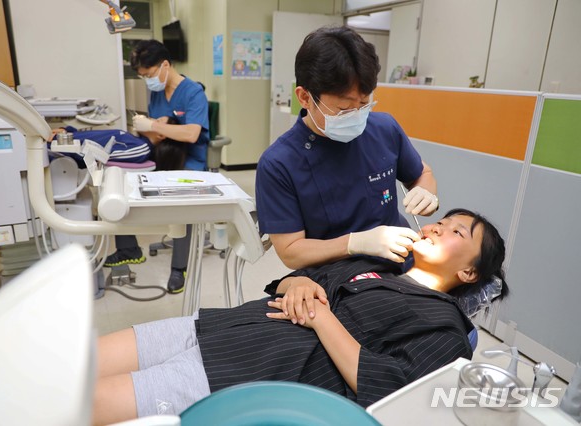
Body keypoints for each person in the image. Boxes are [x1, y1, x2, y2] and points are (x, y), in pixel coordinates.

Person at [92, 208, 508, 425]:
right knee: (77, 362)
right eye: (443, 220)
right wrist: (301, 287)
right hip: (217, 328)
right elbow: (293, 279)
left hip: (237, 371)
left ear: (469, 272)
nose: (438, 227)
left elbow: (386, 386)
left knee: (78, 405)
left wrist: (322, 318)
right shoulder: (378, 263)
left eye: (457, 232)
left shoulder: (446, 328)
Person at [255, 26, 439, 275]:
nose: (356, 115)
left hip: (401, 265)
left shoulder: (384, 129)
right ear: (305, 97)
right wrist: (356, 243)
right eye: (343, 108)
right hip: (335, 277)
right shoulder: (279, 163)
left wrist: (426, 193)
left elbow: (421, 173)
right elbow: (291, 251)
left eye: (364, 104)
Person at [104, 40, 209, 294]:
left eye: (149, 75)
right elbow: (159, 128)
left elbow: (192, 134)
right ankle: (129, 249)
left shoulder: (193, 92)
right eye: (143, 77)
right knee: (122, 181)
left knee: (180, 209)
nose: (148, 81)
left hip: (189, 163)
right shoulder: (157, 92)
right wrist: (154, 124)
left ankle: (178, 269)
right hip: (161, 156)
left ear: (165, 65)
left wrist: (154, 126)